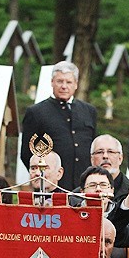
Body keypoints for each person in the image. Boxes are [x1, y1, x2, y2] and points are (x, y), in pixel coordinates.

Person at [20, 61, 97, 191]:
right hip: (52, 187)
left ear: (76, 84)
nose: (64, 86)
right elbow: (28, 153)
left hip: (83, 184)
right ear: (52, 82)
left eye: (69, 82)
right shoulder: (36, 112)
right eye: (59, 81)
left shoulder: (89, 111)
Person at [91, 134, 129, 202]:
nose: (105, 156)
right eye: (100, 152)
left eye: (110, 152)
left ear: (120, 158)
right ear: (92, 160)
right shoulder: (78, 196)